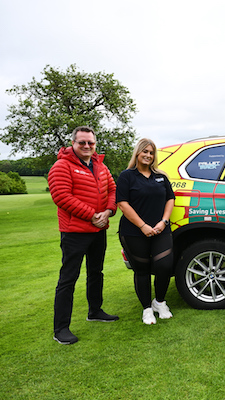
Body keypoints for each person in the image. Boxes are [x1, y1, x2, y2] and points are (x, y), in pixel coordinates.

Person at [48, 126, 119, 345]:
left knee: (96, 272)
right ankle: (60, 328)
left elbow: (113, 190)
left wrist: (108, 212)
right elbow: (61, 196)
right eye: (82, 143)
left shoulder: (100, 166)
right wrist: (92, 215)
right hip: (74, 232)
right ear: (73, 144)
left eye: (91, 142)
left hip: (98, 230)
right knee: (68, 279)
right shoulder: (62, 166)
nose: (87, 146)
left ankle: (95, 311)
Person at [116, 138, 176, 325]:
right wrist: (143, 226)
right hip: (134, 231)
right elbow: (122, 204)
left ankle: (159, 302)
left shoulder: (161, 176)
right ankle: (147, 309)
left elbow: (170, 199)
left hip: (161, 229)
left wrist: (163, 221)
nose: (148, 155)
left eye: (151, 153)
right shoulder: (127, 176)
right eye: (145, 152)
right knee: (141, 270)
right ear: (137, 153)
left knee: (165, 266)